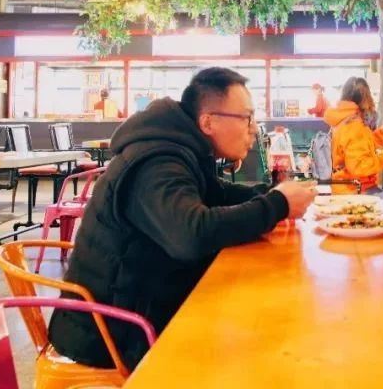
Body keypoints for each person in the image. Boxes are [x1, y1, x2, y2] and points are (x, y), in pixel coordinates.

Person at [49, 67, 317, 370]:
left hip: (145, 304)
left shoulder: (181, 148)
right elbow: (191, 235)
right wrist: (277, 204)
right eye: (246, 117)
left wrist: (273, 193)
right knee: (266, 337)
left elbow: (216, 194)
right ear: (208, 121)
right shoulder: (156, 161)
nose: (253, 128)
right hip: (114, 330)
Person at [323, 77, 383, 194]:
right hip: (357, 191)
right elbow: (360, 167)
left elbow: (361, 147)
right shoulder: (355, 125)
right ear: (365, 98)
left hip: (342, 188)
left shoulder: (342, 120)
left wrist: (382, 133)